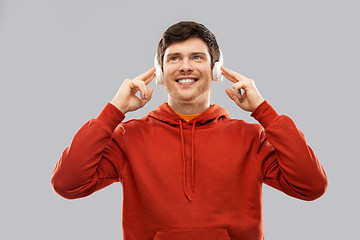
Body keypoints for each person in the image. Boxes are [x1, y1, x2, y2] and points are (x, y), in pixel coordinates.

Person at [51, 21, 328, 240]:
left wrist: (263, 111)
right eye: (174, 58)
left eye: (196, 57)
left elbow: (311, 186)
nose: (185, 66)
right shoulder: (128, 136)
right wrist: (115, 110)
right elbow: (67, 183)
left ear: (215, 70)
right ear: (159, 72)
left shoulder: (251, 138)